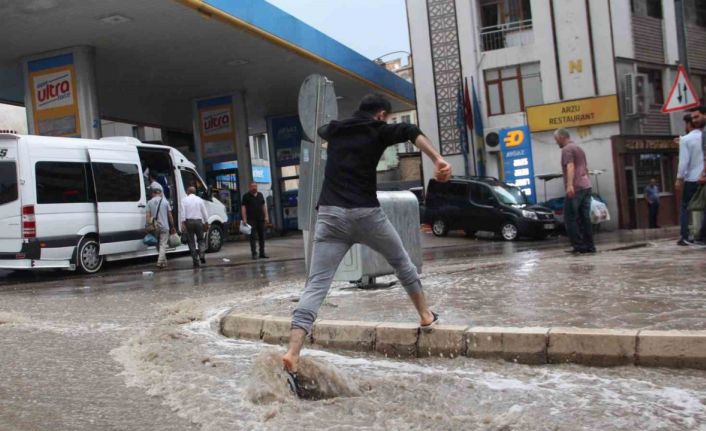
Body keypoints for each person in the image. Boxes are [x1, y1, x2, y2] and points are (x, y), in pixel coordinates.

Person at [281, 94, 452, 392]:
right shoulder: (378, 130)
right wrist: (438, 159)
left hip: (330, 217)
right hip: (366, 215)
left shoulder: (335, 129)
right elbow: (412, 132)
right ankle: (426, 316)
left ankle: (293, 353)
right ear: (382, 115)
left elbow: (320, 130)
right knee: (402, 263)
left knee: (316, 285)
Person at [554, 128, 595, 254]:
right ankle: (589, 246)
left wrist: (570, 185)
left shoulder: (567, 149)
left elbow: (570, 166)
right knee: (584, 218)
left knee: (569, 217)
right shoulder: (578, 148)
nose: (556, 143)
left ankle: (578, 246)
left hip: (576, 187)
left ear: (562, 137)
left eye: (556, 140)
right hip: (586, 186)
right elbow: (585, 167)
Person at [675, 107, 704, 246]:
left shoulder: (686, 140)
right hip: (704, 177)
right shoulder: (703, 136)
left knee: (685, 207)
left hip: (692, 179)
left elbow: (684, 161)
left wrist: (679, 178)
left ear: (688, 125)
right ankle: (701, 235)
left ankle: (685, 236)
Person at [146, 187, 176, 269]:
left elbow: (148, 216)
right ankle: (160, 262)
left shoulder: (149, 202)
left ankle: (164, 262)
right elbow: (170, 215)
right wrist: (172, 226)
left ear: (153, 193)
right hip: (164, 226)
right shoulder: (165, 202)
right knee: (163, 244)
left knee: (158, 245)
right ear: (160, 193)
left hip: (154, 227)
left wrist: (148, 226)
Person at [180, 186, 209, 267]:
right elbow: (204, 212)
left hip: (189, 222)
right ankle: (202, 254)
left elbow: (183, 212)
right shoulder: (199, 200)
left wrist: (183, 223)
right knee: (201, 239)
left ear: (187, 192)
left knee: (191, 242)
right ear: (195, 192)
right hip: (199, 221)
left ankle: (195, 261)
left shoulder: (184, 200)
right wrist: (206, 222)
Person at [241, 182, 269, 260]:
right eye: (253, 186)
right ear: (249, 187)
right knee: (252, 237)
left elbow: (263, 206)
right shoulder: (246, 196)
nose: (254, 188)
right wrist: (244, 218)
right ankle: (254, 254)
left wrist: (266, 216)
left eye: (255, 186)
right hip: (251, 220)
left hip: (261, 219)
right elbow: (243, 208)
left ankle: (262, 253)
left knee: (262, 237)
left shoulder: (260, 195)